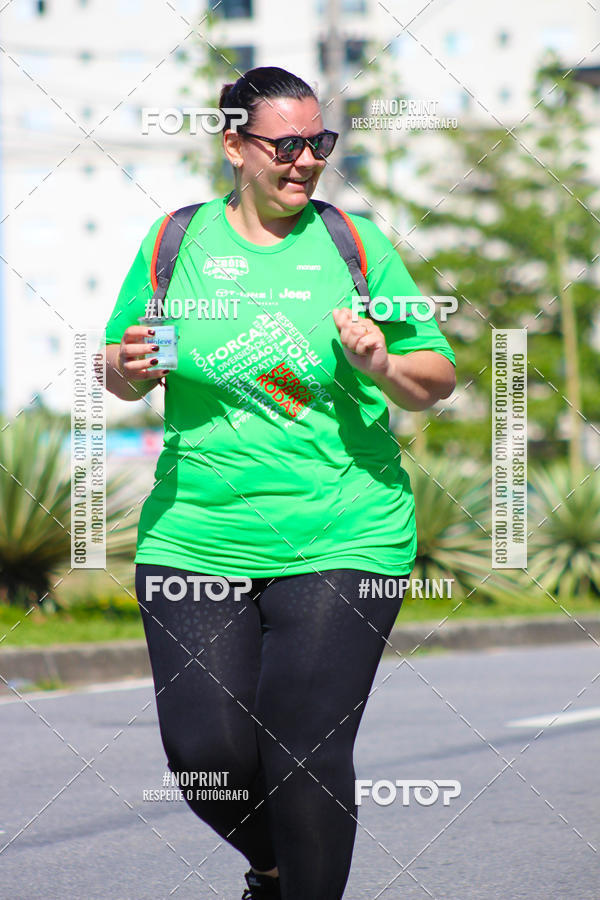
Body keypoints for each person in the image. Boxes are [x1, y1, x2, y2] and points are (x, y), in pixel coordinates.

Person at [103, 66, 455, 900]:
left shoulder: (354, 242)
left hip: (345, 527)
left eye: (318, 143)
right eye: (286, 144)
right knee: (206, 760)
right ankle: (275, 868)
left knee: (305, 749)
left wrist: (383, 360)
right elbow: (123, 369)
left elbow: (435, 375)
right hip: (195, 532)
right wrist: (121, 365)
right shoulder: (174, 243)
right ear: (234, 144)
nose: (305, 161)